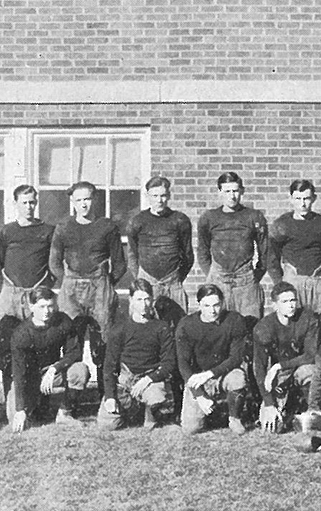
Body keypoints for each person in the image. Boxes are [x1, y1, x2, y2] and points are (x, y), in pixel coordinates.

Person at [49, 181, 127, 392]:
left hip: (99, 288)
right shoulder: (64, 228)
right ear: (72, 202)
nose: (84, 204)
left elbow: (120, 264)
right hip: (72, 288)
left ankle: (106, 395)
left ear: (95, 200)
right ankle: (71, 400)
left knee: (103, 342)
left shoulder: (107, 226)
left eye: (87, 199)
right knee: (71, 341)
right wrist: (68, 282)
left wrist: (106, 285)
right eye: (79, 200)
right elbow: (54, 263)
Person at [0, 184, 55, 403]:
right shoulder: (5, 231)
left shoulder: (47, 231)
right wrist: (5, 286)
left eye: (32, 202)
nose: (28, 207)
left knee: (39, 343)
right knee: (8, 343)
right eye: (24, 202)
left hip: (36, 294)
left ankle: (40, 398)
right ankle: (12, 396)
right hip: (11, 294)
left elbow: (54, 262)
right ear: (15, 203)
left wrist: (45, 284)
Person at [8, 287, 91, 433]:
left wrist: (55, 367)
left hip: (53, 373)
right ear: (31, 307)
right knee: (15, 419)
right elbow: (19, 372)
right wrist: (20, 409)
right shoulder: (21, 334)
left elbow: (75, 352)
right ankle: (34, 407)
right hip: (30, 377)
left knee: (79, 370)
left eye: (50, 306)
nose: (47, 311)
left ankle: (65, 412)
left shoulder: (62, 321)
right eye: (41, 307)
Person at [97, 280, 176, 431]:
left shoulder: (161, 327)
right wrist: (110, 397)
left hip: (150, 379)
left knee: (156, 397)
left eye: (147, 299)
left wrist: (148, 379)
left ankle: (150, 414)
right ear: (131, 300)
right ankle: (131, 410)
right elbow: (109, 366)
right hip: (126, 379)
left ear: (152, 300)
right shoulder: (120, 329)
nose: (144, 304)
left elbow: (169, 362)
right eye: (139, 299)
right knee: (107, 425)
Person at [177, 285, 249, 435]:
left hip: (224, 373)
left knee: (238, 378)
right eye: (207, 305)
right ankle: (210, 412)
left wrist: (210, 373)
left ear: (222, 303)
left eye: (216, 305)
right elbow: (183, 362)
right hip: (198, 377)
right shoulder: (187, 324)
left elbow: (236, 357)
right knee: (191, 429)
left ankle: (234, 417)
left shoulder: (234, 320)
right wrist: (199, 395)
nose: (212, 310)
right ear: (199, 305)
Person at [195, 172, 269, 320]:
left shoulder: (254, 216)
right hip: (219, 280)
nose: (232, 196)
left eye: (235, 191)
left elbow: (265, 251)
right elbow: (203, 250)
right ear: (219, 192)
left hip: (245, 282)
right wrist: (212, 274)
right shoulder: (209, 218)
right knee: (217, 325)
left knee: (249, 325)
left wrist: (254, 276)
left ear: (242, 191)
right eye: (227, 191)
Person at [253, 282, 320, 434]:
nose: (290, 305)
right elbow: (259, 367)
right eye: (284, 301)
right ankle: (286, 411)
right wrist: (269, 403)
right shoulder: (264, 327)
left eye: (293, 300)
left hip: (300, 366)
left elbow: (311, 355)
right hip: (280, 376)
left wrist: (279, 365)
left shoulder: (308, 318)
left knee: (310, 372)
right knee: (273, 427)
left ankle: (310, 410)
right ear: (275, 305)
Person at [268, 179, 321, 317]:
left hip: (318, 283)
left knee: (320, 323)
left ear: (314, 198)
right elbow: (271, 257)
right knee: (293, 325)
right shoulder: (282, 224)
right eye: (298, 198)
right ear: (291, 199)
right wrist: (280, 284)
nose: (302, 203)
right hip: (293, 282)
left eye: (306, 198)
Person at [125, 176, 194, 313]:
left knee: (177, 325)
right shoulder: (137, 221)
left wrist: (175, 278)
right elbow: (133, 255)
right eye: (155, 195)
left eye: (163, 196)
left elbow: (187, 255)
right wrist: (142, 281)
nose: (159, 200)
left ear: (168, 195)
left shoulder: (180, 220)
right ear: (147, 196)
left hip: (173, 284)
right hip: (148, 283)